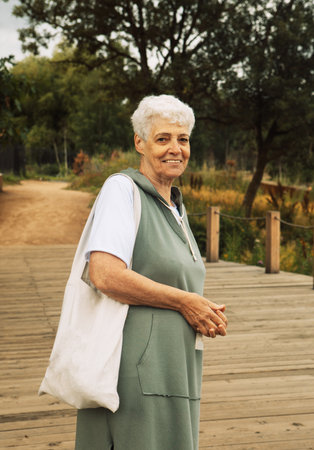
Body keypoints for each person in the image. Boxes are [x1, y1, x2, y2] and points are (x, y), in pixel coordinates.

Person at [75, 94, 228, 450]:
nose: (175, 148)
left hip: (174, 368)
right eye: (163, 139)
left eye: (183, 139)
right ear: (139, 143)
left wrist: (201, 309)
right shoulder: (122, 191)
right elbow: (104, 273)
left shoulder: (174, 204)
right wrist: (186, 302)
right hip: (138, 373)